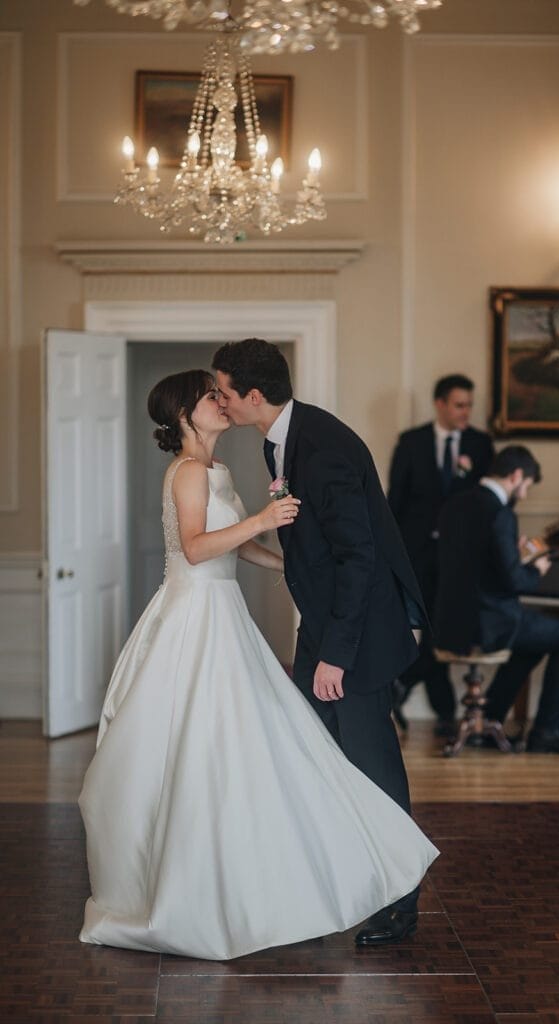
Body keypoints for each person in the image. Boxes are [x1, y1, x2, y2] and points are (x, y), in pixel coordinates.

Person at [79, 369, 438, 961]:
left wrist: (289, 567)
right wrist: (264, 520)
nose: (220, 404)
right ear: (184, 416)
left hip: (226, 613)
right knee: (203, 745)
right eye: (208, 397)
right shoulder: (189, 472)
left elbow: (239, 547)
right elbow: (195, 548)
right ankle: (197, 883)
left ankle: (276, 880)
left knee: (259, 747)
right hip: (194, 616)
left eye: (221, 394)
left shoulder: (219, 470)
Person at [212, 339, 430, 947]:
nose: (221, 401)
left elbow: (358, 558)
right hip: (327, 627)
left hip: (353, 638)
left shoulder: (325, 445)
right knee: (320, 760)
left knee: (373, 769)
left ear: (254, 395)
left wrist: (335, 653)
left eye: (225, 391)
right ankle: (338, 882)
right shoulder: (283, 437)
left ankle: (400, 903)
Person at [434, 444, 559, 755]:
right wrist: (537, 568)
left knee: (534, 642)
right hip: (488, 623)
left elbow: (479, 566)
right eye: (526, 487)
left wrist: (512, 555)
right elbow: (513, 582)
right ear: (517, 475)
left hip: (450, 622)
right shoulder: (501, 513)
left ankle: (491, 718)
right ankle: (549, 730)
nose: (523, 495)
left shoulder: (455, 504)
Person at [387, 374, 494, 736]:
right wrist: (391, 556)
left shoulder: (480, 446)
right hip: (418, 555)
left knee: (444, 632)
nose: (466, 412)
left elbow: (486, 505)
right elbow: (395, 502)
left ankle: (406, 687)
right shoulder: (412, 442)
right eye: (459, 404)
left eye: (469, 405)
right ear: (440, 404)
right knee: (431, 630)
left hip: (461, 559)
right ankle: (445, 713)